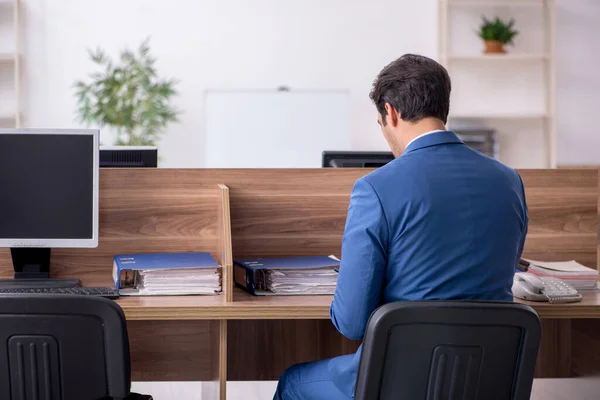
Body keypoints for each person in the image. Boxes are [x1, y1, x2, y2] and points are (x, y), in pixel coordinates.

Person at [273, 54, 528, 400]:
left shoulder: (375, 188)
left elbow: (350, 323)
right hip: (485, 378)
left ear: (390, 112)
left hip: (395, 381)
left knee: (293, 383)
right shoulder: (509, 181)